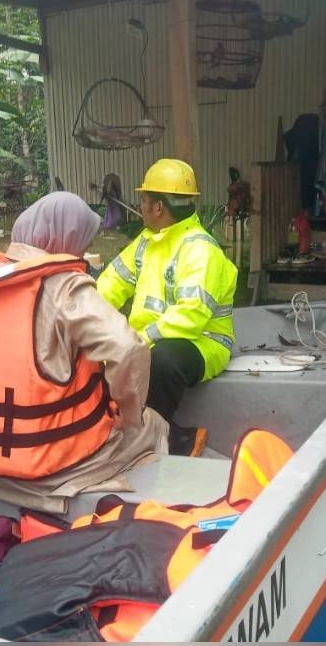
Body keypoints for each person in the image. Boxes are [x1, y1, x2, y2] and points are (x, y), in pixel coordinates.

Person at [0, 191, 168, 514]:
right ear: (69, 238)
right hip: (52, 469)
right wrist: (127, 413)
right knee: (152, 423)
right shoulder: (64, 285)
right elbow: (129, 350)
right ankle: (148, 516)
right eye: (82, 240)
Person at [97, 158, 238, 457]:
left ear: (159, 208)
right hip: (152, 338)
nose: (142, 206)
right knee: (96, 354)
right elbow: (109, 285)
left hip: (203, 342)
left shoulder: (201, 249)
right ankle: (148, 435)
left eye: (144, 200)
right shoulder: (146, 242)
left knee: (161, 361)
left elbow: (191, 315)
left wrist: (139, 340)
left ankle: (159, 442)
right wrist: (82, 321)